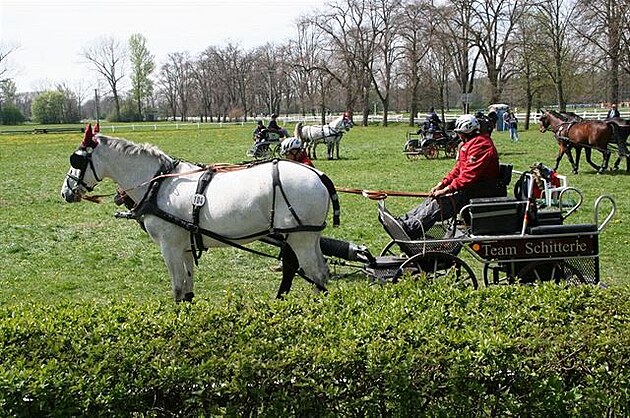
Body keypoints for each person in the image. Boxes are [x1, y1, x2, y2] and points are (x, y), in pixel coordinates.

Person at [392, 114, 503, 240]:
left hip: (481, 191)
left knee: (440, 203)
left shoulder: (482, 146)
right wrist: (441, 184)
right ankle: (405, 221)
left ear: (469, 132)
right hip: (470, 188)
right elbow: (458, 170)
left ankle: (411, 228)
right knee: (432, 199)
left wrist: (447, 190)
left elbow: (468, 176)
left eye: (460, 133)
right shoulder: (468, 144)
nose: (458, 136)